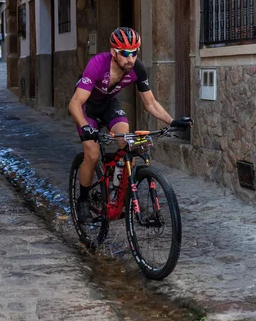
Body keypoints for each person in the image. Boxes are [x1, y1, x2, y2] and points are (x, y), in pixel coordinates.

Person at [68, 27, 193, 223]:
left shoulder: (137, 68)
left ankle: (120, 193)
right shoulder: (97, 65)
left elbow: (150, 102)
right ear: (113, 52)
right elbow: (75, 103)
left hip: (109, 104)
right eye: (125, 53)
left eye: (135, 53)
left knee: (127, 143)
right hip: (87, 107)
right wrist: (85, 127)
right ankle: (83, 200)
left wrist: (171, 121)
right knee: (91, 154)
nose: (131, 58)